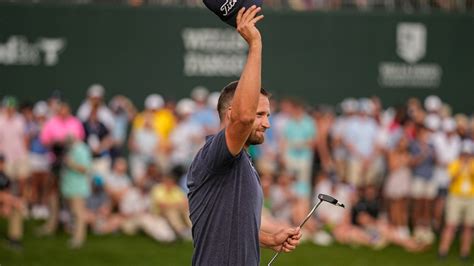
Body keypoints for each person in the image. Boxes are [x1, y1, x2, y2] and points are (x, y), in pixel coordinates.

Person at [187, 6, 301, 265]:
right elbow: (243, 118)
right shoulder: (214, 154)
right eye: (260, 115)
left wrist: (268, 239)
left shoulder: (242, 161)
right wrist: (255, 44)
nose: (267, 123)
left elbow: (229, 225)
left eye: (268, 115)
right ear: (231, 112)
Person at [438, 140, 474, 261]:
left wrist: (469, 168)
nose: (466, 156)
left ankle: (465, 253)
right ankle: (443, 251)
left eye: (468, 154)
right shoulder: (454, 164)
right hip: (456, 197)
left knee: (468, 226)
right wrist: (461, 168)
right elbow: (452, 179)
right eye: (464, 153)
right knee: (450, 225)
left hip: (471, 198)